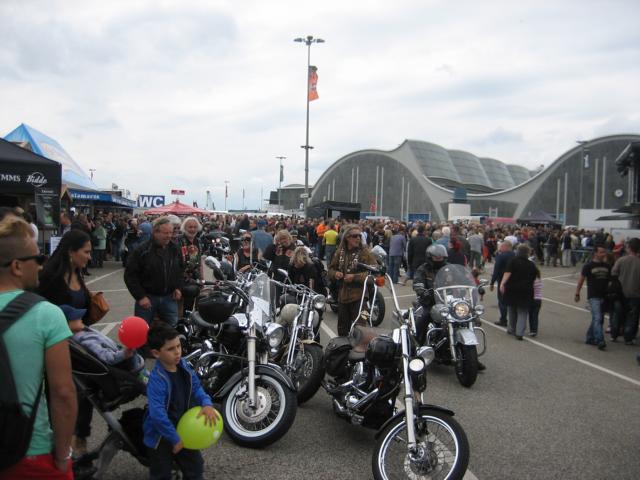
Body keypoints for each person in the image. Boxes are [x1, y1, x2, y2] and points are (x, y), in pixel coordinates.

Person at [0, 216, 77, 479]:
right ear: (17, 266)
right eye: (38, 258)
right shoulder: (45, 314)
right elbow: (63, 393)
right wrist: (63, 453)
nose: (42, 265)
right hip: (28, 448)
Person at [144, 322, 220, 480]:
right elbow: (157, 415)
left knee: (195, 467)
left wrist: (206, 403)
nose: (177, 352)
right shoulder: (157, 380)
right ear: (156, 353)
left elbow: (196, 387)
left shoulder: (183, 365)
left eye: (178, 346)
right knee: (161, 473)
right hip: (161, 436)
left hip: (184, 427)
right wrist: (174, 438)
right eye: (171, 349)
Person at [124, 217, 184, 328]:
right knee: (142, 330)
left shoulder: (175, 249)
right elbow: (130, 275)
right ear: (155, 232)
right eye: (166, 233)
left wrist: (178, 287)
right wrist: (140, 296)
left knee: (172, 329)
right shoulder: (142, 250)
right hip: (148, 298)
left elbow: (180, 270)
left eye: (171, 232)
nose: (169, 236)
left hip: (169, 298)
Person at [328, 224, 378, 336]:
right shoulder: (339, 252)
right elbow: (330, 270)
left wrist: (354, 277)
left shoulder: (365, 252)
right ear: (347, 237)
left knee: (361, 330)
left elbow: (375, 274)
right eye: (355, 236)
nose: (358, 238)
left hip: (360, 298)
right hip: (343, 296)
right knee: (342, 330)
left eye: (359, 236)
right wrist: (335, 274)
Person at [38, 229, 93, 321]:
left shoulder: (77, 273)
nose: (89, 257)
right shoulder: (49, 277)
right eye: (86, 252)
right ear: (71, 252)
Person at [574, 245, 610, 350]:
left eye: (604, 252)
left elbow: (610, 280)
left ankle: (590, 337)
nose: (603, 254)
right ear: (595, 253)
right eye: (601, 252)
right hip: (593, 296)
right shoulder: (588, 266)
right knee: (598, 318)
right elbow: (581, 280)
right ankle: (600, 340)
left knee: (598, 319)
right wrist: (577, 293)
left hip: (604, 296)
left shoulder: (607, 266)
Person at [500, 244, 537, 340]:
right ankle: (519, 333)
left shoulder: (513, 261)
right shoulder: (531, 264)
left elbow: (507, 273)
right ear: (527, 253)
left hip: (512, 289)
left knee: (512, 309)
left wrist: (502, 284)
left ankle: (511, 329)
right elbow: (534, 278)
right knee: (522, 312)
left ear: (518, 252)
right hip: (526, 290)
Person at [611, 238, 640, 345]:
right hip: (635, 294)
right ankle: (628, 337)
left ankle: (614, 334)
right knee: (632, 317)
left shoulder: (621, 260)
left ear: (629, 248)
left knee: (617, 315)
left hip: (620, 293)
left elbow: (613, 273)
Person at [178, 217, 204, 312]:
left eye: (194, 227)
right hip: (181, 278)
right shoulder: (179, 240)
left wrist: (202, 278)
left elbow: (200, 261)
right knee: (179, 306)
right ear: (184, 228)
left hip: (194, 278)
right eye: (190, 227)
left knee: (190, 305)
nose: (192, 229)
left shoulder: (198, 241)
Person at [490, 240, 515, 326]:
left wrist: (492, 282)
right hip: (514, 280)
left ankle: (503, 320)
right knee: (512, 301)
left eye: (501, 246)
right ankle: (514, 320)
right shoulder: (515, 255)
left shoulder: (501, 256)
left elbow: (496, 270)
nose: (499, 248)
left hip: (502, 280)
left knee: (502, 301)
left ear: (505, 247)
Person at [529, 267, 542, 337]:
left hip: (532, 299)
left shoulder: (532, 281)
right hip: (539, 299)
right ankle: (534, 330)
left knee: (531, 315)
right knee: (535, 316)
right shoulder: (539, 280)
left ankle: (532, 330)